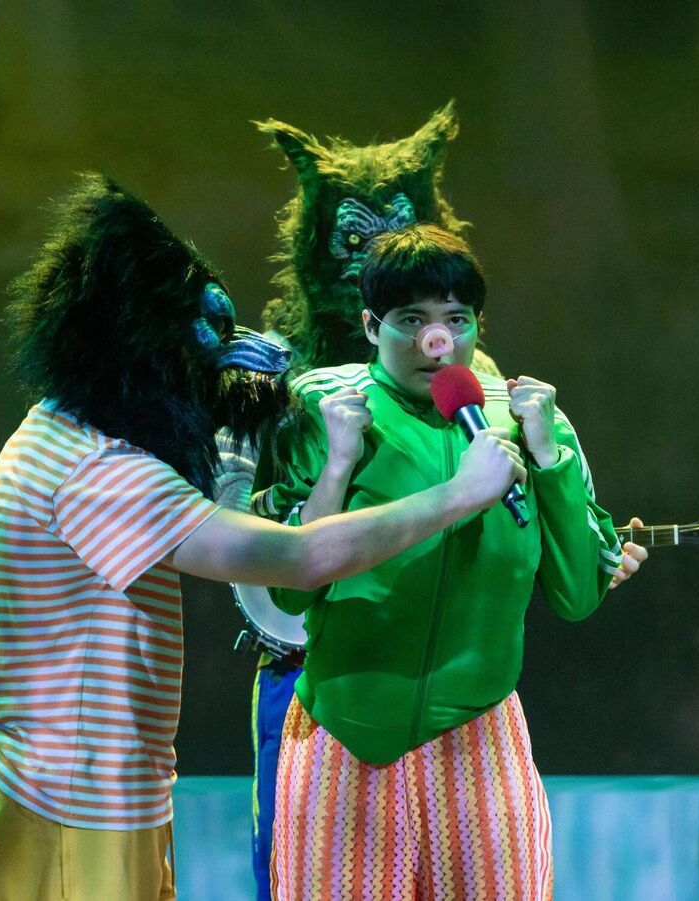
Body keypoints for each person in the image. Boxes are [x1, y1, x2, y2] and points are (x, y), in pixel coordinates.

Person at [0, 176, 526, 901]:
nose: (246, 355)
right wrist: (458, 493)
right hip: (70, 796)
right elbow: (296, 560)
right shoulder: (99, 473)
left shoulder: (64, 426)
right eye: (209, 339)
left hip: (87, 789)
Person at [259, 224, 644, 900]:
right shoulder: (328, 411)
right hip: (345, 735)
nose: (438, 342)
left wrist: (546, 456)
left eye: (456, 319)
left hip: (479, 736)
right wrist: (340, 460)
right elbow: (287, 593)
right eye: (412, 320)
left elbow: (578, 593)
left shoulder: (528, 418)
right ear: (371, 323)